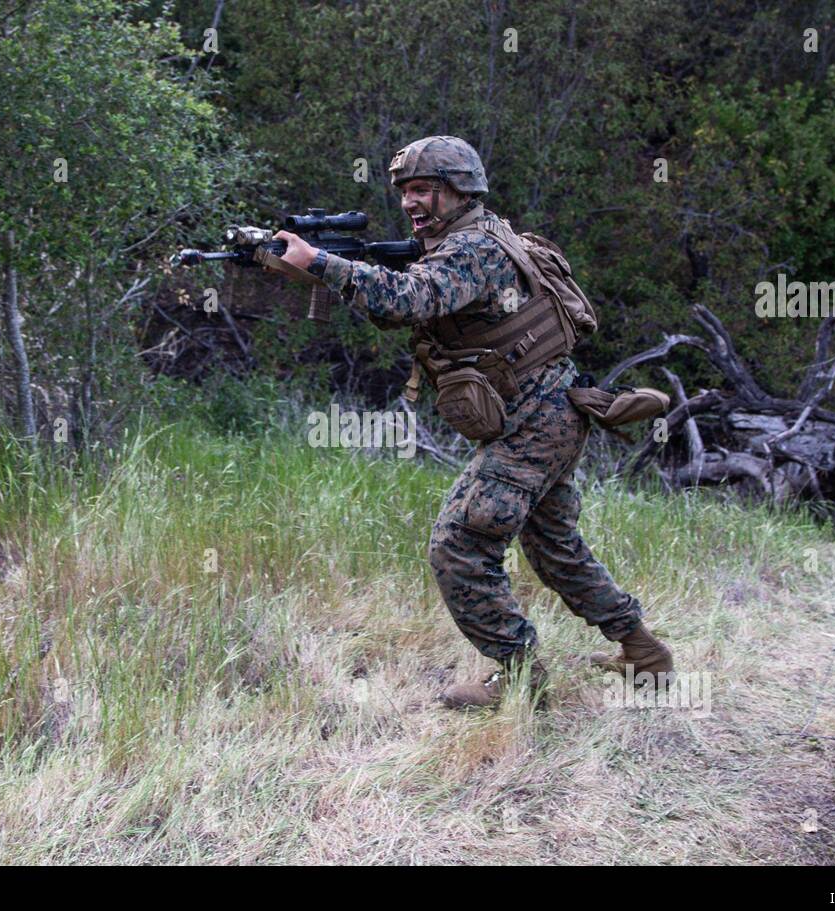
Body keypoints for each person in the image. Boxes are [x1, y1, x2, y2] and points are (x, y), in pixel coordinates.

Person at [272, 135, 674, 709]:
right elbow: (411, 292)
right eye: (406, 191)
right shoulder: (476, 237)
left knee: (458, 545)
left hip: (534, 422)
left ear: (459, 190)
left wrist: (322, 262)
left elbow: (408, 301)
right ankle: (645, 654)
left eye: (424, 190)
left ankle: (519, 680)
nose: (411, 202)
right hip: (552, 412)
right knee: (554, 545)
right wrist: (318, 267)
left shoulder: (471, 251)